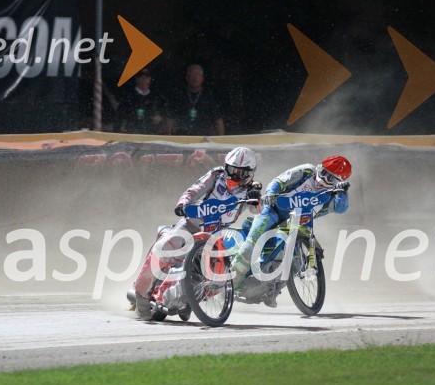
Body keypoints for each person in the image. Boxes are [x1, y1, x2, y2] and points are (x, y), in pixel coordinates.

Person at [130, 146, 261, 319]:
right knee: (166, 246)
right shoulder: (216, 175)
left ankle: (189, 299)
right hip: (192, 224)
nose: (234, 175)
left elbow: (258, 210)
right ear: (226, 166)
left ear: (250, 173)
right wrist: (183, 204)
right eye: (232, 169)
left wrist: (256, 198)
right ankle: (141, 296)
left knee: (219, 277)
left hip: (217, 235)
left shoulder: (251, 189)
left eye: (241, 173)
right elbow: (194, 190)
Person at [231, 156, 352, 287]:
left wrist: (342, 192)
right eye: (323, 173)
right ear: (319, 167)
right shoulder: (307, 171)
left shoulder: (335, 192)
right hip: (273, 211)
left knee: (296, 264)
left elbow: (340, 208)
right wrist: (271, 193)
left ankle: (272, 288)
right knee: (250, 247)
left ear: (338, 182)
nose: (323, 180)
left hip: (298, 223)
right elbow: (278, 181)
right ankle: (231, 282)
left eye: (331, 179)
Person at [169, 64, 225, 136]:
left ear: (202, 78)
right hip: (183, 136)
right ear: (187, 78)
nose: (195, 78)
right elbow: (171, 117)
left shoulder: (209, 96)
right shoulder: (179, 95)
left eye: (198, 75)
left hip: (204, 137)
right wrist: (169, 135)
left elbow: (218, 120)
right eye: (192, 75)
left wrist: (220, 139)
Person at [116, 68, 168, 134]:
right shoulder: (128, 96)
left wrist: (161, 117)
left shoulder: (157, 96)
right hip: (133, 133)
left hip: (153, 134)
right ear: (136, 79)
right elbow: (122, 116)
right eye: (141, 77)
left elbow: (165, 112)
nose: (144, 80)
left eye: (147, 77)